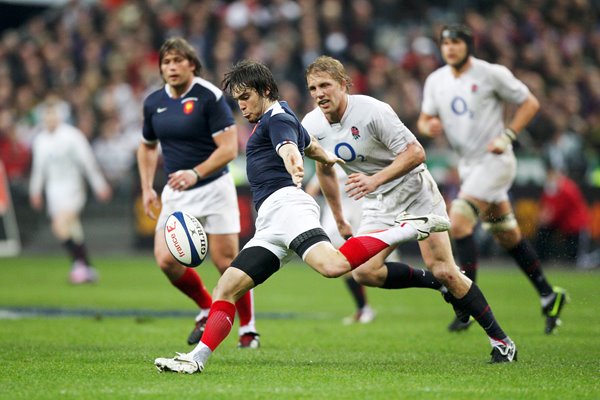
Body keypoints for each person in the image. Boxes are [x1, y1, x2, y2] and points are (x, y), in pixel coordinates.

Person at [154, 59, 453, 374]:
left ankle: (408, 228)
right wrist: (325, 157)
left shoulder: (276, 118)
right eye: (237, 99)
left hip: (287, 208)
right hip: (270, 223)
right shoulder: (284, 117)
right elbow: (309, 145)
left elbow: (288, 147)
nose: (241, 105)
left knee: (333, 266)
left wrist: (292, 161)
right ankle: (195, 359)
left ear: (265, 90)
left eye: (246, 97)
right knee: (227, 287)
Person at [302, 55, 516, 363]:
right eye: (313, 88)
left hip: (416, 194)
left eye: (325, 85)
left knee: (447, 270)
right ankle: (439, 286)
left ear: (344, 85)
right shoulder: (312, 125)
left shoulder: (373, 111)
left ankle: (502, 341)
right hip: (377, 204)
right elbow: (324, 170)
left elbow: (416, 152)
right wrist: (339, 217)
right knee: (364, 272)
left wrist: (375, 180)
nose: (319, 93)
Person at [417, 24, 569, 334]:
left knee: (458, 223)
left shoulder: (490, 74)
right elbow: (423, 118)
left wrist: (509, 135)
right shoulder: (436, 80)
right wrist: (427, 126)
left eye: (456, 42)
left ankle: (466, 303)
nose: (450, 48)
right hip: (470, 165)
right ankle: (548, 295)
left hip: (496, 160)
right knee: (507, 236)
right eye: (445, 43)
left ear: (468, 45)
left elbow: (530, 103)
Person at [137, 37, 259, 348]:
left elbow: (229, 148)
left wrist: (196, 172)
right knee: (166, 260)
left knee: (227, 262)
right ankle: (207, 306)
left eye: (178, 61)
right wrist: (147, 185)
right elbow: (148, 147)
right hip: (177, 192)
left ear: (192, 64)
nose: (171, 67)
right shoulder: (153, 102)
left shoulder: (209, 97)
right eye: (166, 62)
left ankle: (248, 329)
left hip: (214, 188)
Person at [29, 97, 112, 284]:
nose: (49, 118)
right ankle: (86, 268)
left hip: (73, 188)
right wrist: (35, 191)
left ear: (60, 115)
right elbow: (38, 170)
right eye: (46, 115)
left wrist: (100, 186)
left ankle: (79, 264)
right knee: (73, 231)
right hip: (53, 192)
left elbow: (87, 162)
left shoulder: (72, 136)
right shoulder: (40, 140)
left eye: (52, 114)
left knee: (59, 225)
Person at [305, 165, 377, 325]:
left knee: (368, 267)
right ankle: (363, 307)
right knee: (341, 261)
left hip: (360, 211)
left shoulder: (356, 159)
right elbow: (312, 189)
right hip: (337, 214)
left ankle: (364, 308)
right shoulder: (327, 160)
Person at [536, 157, 598, 269]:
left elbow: (557, 210)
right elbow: (546, 206)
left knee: (578, 261)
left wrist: (545, 218)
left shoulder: (566, 188)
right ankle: (541, 260)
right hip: (565, 227)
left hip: (577, 228)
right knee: (544, 233)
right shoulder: (551, 187)